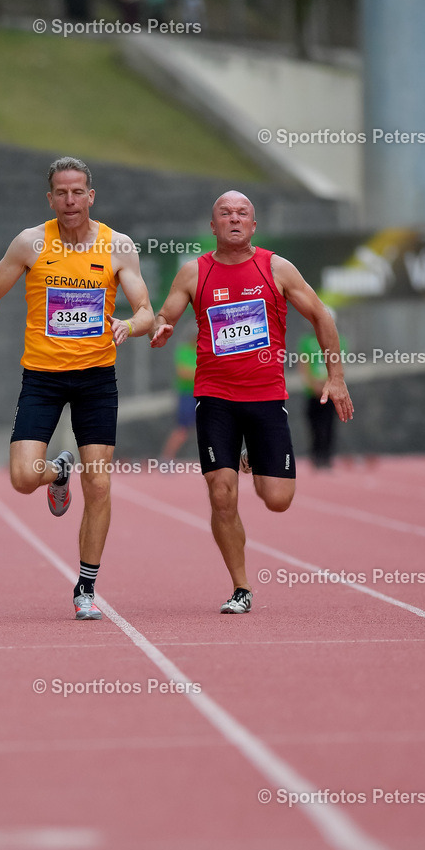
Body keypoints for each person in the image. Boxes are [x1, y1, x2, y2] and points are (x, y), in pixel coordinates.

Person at [0, 156, 153, 619]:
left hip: (96, 379)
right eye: (61, 193)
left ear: (91, 195)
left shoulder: (117, 245)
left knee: (99, 483)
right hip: (42, 378)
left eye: (77, 191)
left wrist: (130, 323)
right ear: (50, 198)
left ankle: (85, 587)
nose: (70, 200)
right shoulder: (30, 242)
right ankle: (58, 471)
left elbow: (146, 309)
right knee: (24, 478)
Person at [151, 190, 353, 614]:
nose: (234, 218)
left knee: (277, 499)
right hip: (214, 398)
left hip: (265, 398)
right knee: (221, 495)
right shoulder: (194, 273)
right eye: (225, 213)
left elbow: (321, 315)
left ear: (254, 225)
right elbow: (165, 315)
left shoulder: (276, 268)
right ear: (213, 226)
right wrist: (161, 327)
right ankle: (241, 587)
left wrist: (336, 377)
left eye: (243, 213)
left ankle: (250, 459)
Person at [297, 315, 345, 469]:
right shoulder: (307, 342)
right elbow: (303, 366)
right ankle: (316, 455)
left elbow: (339, 365)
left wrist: (331, 385)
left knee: (330, 425)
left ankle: (327, 456)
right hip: (313, 392)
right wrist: (313, 385)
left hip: (330, 392)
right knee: (314, 425)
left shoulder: (338, 341)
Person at [161, 335, 197, 460]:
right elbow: (183, 371)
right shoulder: (184, 350)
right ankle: (167, 457)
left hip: (203, 393)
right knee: (182, 428)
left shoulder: (203, 350)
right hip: (187, 394)